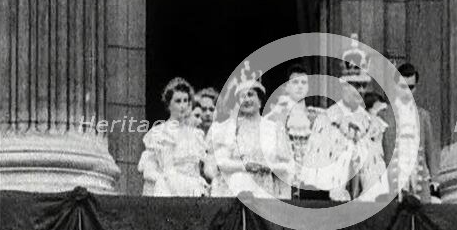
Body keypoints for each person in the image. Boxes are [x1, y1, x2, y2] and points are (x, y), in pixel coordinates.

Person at [302, 43, 388, 201]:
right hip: (330, 202)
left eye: (363, 85)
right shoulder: (326, 119)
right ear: (343, 86)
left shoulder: (372, 124)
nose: (360, 90)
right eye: (355, 85)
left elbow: (376, 170)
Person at [210, 62, 292, 198]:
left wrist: (268, 167)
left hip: (266, 189)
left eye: (250, 94)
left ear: (260, 100)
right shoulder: (230, 128)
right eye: (242, 96)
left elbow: (287, 166)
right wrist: (245, 166)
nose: (246, 100)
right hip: (238, 189)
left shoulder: (273, 128)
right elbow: (222, 162)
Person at [137, 77, 210, 197]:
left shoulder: (196, 135)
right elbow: (163, 169)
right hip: (169, 188)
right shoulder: (161, 132)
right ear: (169, 104)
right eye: (178, 101)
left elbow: (196, 170)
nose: (182, 106)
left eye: (185, 100)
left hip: (193, 189)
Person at [381, 63, 440, 203]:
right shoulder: (384, 115)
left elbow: (430, 150)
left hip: (418, 179)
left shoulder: (423, 116)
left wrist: (435, 180)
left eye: (411, 87)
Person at [265, 64, 325, 197]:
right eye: (295, 82)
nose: (299, 86)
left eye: (304, 82)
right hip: (285, 179)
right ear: (287, 87)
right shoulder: (275, 117)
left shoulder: (317, 116)